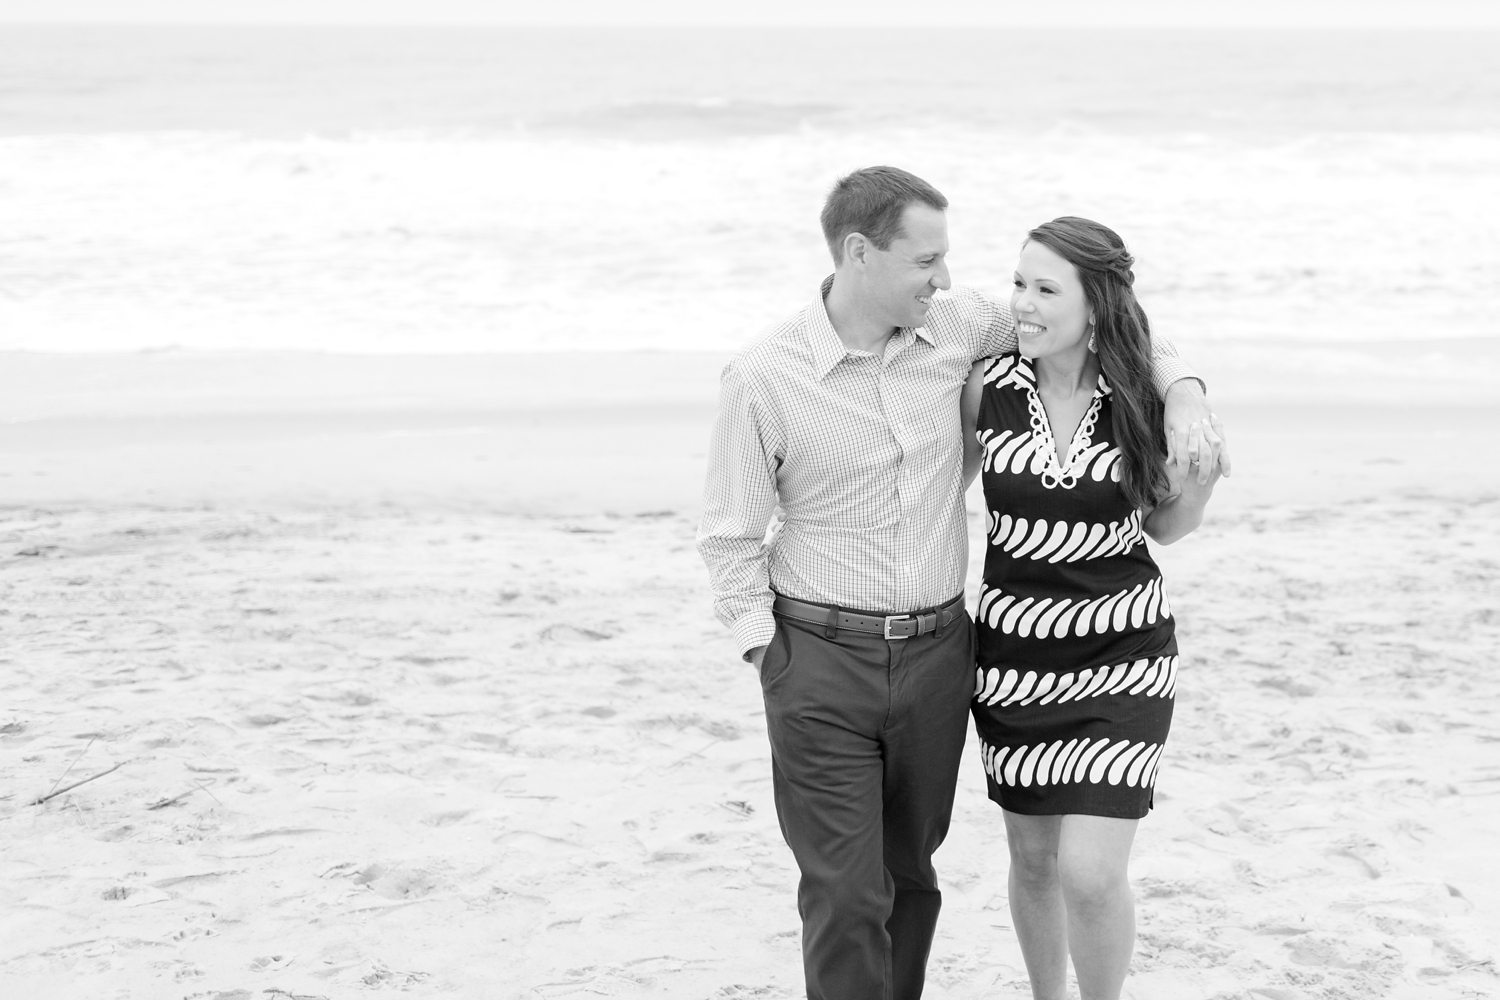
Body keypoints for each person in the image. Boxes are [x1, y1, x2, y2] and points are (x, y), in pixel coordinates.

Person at [697, 167, 1227, 1000]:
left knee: (912, 874)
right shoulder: (767, 375)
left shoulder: (952, 331)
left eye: (949, 262)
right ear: (860, 253)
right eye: (927, 260)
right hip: (832, 656)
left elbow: (1115, 324)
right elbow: (729, 537)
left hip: (948, 654)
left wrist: (1188, 393)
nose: (948, 280)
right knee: (847, 890)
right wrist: (769, 656)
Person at [961, 216, 1224, 1000]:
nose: (1023, 305)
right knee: (1035, 860)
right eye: (1018, 284)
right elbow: (934, 494)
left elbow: (1166, 529)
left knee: (1089, 870)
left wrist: (1199, 479)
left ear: (1096, 306)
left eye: (1046, 289)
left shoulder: (1140, 396)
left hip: (1124, 658)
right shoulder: (985, 387)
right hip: (1012, 664)